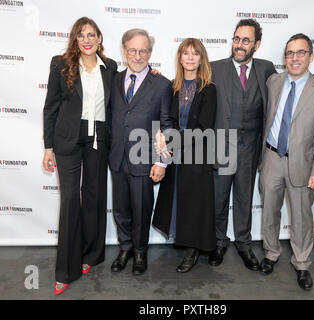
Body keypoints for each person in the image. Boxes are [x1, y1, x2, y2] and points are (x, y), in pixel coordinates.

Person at [209, 19, 314, 270]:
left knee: (245, 199)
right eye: (236, 38)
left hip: (251, 149)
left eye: (246, 40)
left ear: (257, 44)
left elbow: (299, 77)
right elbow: (187, 80)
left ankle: (244, 244)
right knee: (219, 199)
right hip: (222, 147)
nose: (239, 44)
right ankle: (218, 242)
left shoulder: (266, 70)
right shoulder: (214, 68)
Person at [42, 17, 117, 295]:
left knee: (96, 195)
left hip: (98, 137)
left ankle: (91, 254)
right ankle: (65, 269)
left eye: (92, 35)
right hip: (67, 138)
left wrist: (154, 75)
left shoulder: (110, 68)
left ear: (99, 39)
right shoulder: (60, 64)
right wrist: (48, 147)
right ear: (75, 39)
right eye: (81, 35)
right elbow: (50, 106)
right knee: (71, 198)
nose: (87, 40)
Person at [259, 33, 314, 290]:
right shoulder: (273, 81)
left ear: (311, 56)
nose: (294, 58)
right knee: (269, 210)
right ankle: (270, 254)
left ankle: (302, 263)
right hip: (271, 156)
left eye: (301, 52)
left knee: (302, 217)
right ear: (285, 57)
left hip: (302, 163)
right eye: (290, 53)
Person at [109, 29, 172, 276]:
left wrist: (162, 163)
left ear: (150, 53)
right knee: (121, 209)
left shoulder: (162, 84)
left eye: (143, 51)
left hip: (144, 160)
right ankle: (124, 248)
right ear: (124, 51)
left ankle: (139, 252)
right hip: (116, 157)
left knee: (142, 210)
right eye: (133, 50)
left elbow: (167, 126)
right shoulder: (113, 79)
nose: (137, 56)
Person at [153, 38, 217, 273]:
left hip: (197, 157)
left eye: (195, 54)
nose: (190, 58)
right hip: (176, 157)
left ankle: (192, 250)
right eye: (185, 53)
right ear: (180, 58)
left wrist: (172, 140)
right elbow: (167, 118)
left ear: (202, 58)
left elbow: (203, 128)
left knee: (194, 204)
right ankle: (184, 241)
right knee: (179, 200)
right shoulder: (173, 86)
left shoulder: (209, 88)